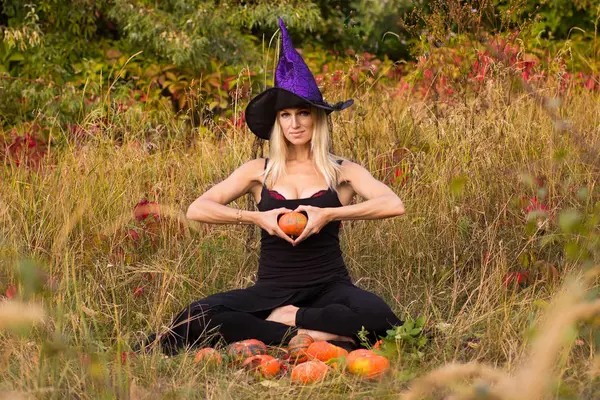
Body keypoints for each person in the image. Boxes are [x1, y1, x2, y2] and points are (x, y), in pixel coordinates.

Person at [147, 18, 405, 356]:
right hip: (271, 289)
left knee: (378, 316)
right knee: (195, 317)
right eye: (285, 115)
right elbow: (198, 208)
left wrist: (329, 214)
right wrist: (257, 219)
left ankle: (292, 320)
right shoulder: (260, 172)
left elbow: (393, 203)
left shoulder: (342, 172)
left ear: (317, 118)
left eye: (303, 113)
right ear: (277, 122)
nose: (294, 123)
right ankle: (299, 335)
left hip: (329, 287)